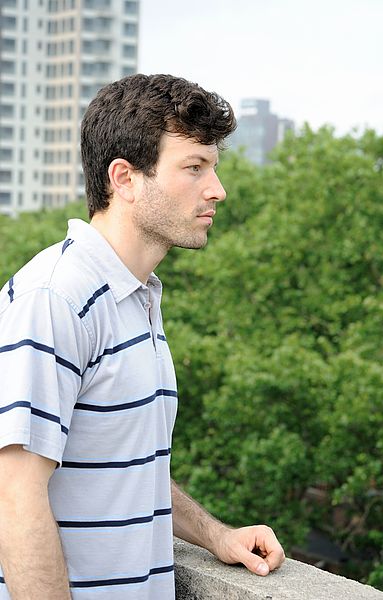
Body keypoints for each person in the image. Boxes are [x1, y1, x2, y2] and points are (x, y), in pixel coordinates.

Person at [0, 74, 285, 599]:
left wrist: (215, 534)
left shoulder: (135, 297)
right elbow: (15, 495)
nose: (216, 189)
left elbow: (129, 464)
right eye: (194, 168)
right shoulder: (57, 298)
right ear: (125, 179)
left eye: (213, 167)